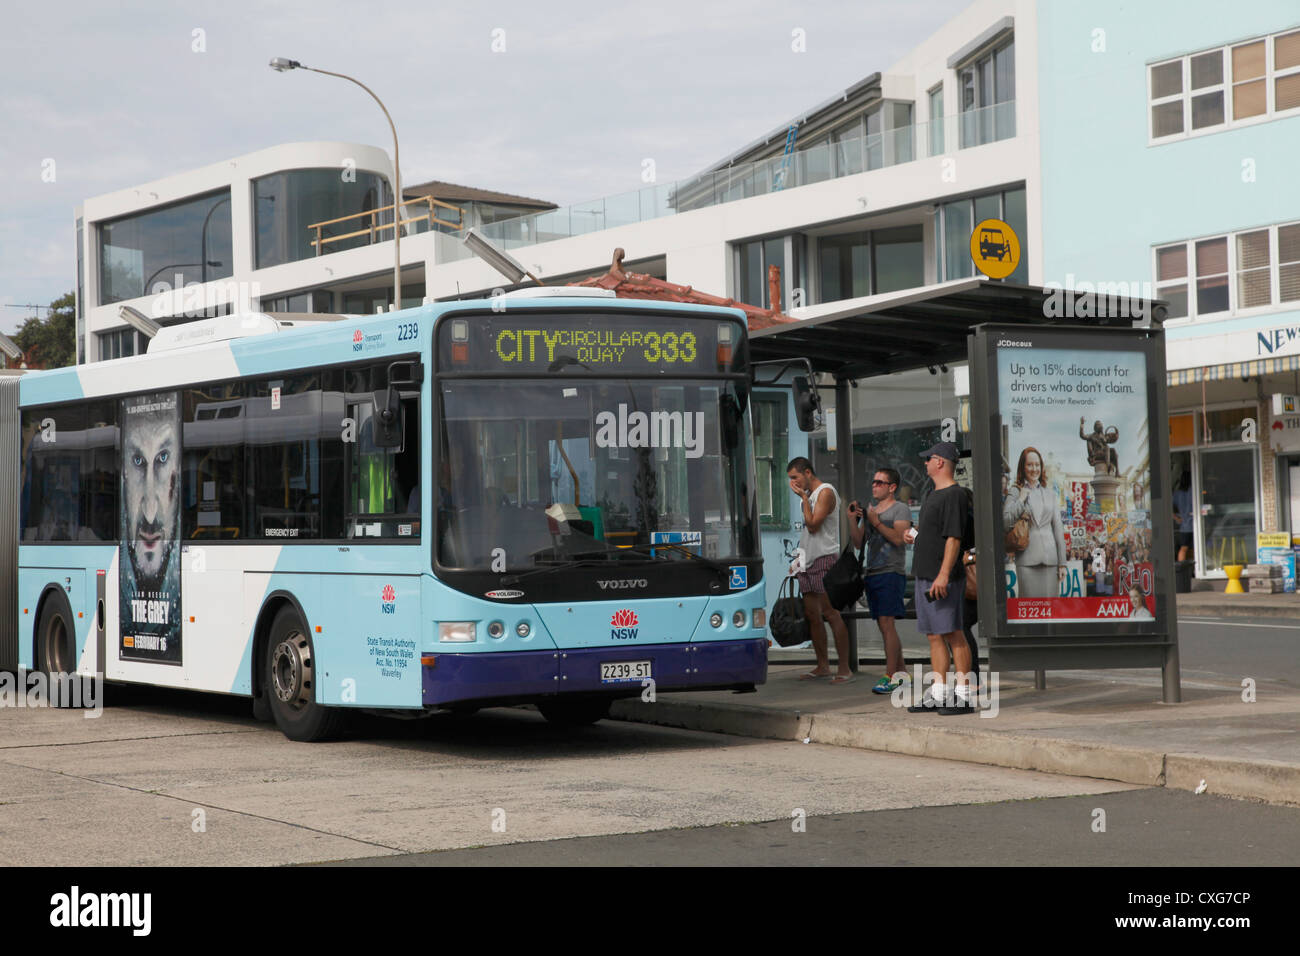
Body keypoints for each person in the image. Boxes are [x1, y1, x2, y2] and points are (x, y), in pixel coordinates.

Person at [904, 442, 974, 715]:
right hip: (925, 574)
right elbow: (937, 535)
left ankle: (964, 695)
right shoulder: (934, 494)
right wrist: (916, 535)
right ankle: (940, 692)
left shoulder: (954, 495)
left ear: (941, 462)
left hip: (941, 576)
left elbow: (954, 538)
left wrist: (944, 574)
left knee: (953, 632)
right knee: (934, 635)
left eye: (929, 459)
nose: (925, 464)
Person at [787, 457, 853, 684]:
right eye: (790, 479)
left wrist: (804, 498)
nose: (793, 483)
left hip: (825, 559)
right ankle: (822, 665)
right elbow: (807, 533)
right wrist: (798, 559)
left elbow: (814, 525)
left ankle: (844, 668)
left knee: (830, 613)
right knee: (812, 615)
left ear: (807, 472)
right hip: (807, 560)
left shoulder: (824, 492)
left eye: (795, 477)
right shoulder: (807, 497)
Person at [847, 467, 912, 695]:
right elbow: (858, 543)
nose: (874, 485)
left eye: (880, 482)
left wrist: (875, 522)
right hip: (873, 572)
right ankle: (902, 673)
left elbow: (899, 539)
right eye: (873, 482)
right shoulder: (872, 510)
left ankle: (891, 675)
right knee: (885, 626)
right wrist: (852, 520)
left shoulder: (900, 509)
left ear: (892, 487)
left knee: (887, 624)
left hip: (891, 571)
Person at [1003, 447, 1066, 599]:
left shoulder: (1050, 494)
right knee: (1030, 610)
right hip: (1026, 561)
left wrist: (1062, 563)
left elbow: (1058, 530)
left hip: (1050, 560)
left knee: (1051, 611)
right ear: (1023, 468)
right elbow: (1005, 522)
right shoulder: (1015, 492)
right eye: (1030, 465)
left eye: (1037, 465)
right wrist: (1020, 500)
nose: (1034, 469)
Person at [1172, 471, 1193, 561]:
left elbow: (1168, 507)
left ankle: (1182, 569)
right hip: (1194, 523)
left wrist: (1177, 518)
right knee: (1196, 547)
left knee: (1183, 549)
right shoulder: (1193, 490)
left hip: (1184, 526)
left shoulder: (1177, 493)